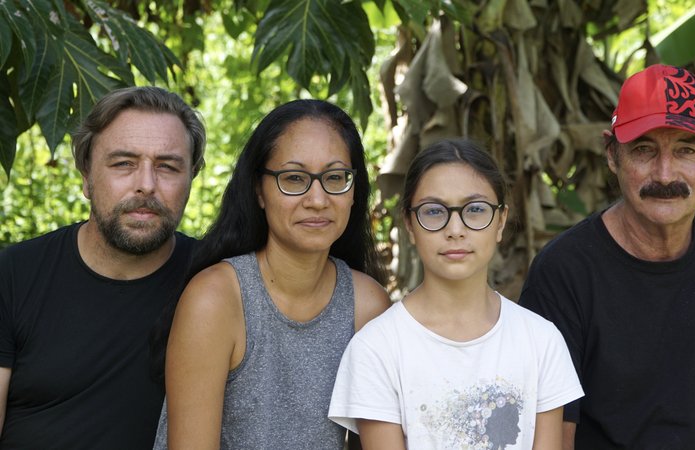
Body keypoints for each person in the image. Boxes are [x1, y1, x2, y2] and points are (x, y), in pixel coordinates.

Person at [519, 64, 695, 449]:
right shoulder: (564, 273)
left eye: (686, 149)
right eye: (644, 149)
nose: (665, 175)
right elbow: (551, 441)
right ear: (612, 154)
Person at [152, 99, 391, 449]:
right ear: (258, 190)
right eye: (294, 178)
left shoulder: (367, 306)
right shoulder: (216, 300)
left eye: (335, 178)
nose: (318, 199)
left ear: (354, 190)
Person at [329, 139, 584, 450]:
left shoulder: (542, 342)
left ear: (500, 221)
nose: (455, 229)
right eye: (434, 211)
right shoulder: (376, 349)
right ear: (409, 224)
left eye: (475, 210)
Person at [0, 86, 206, 448]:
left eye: (167, 166)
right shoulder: (13, 275)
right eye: (123, 163)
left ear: (191, 178)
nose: (146, 185)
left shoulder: (214, 281)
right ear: (86, 175)